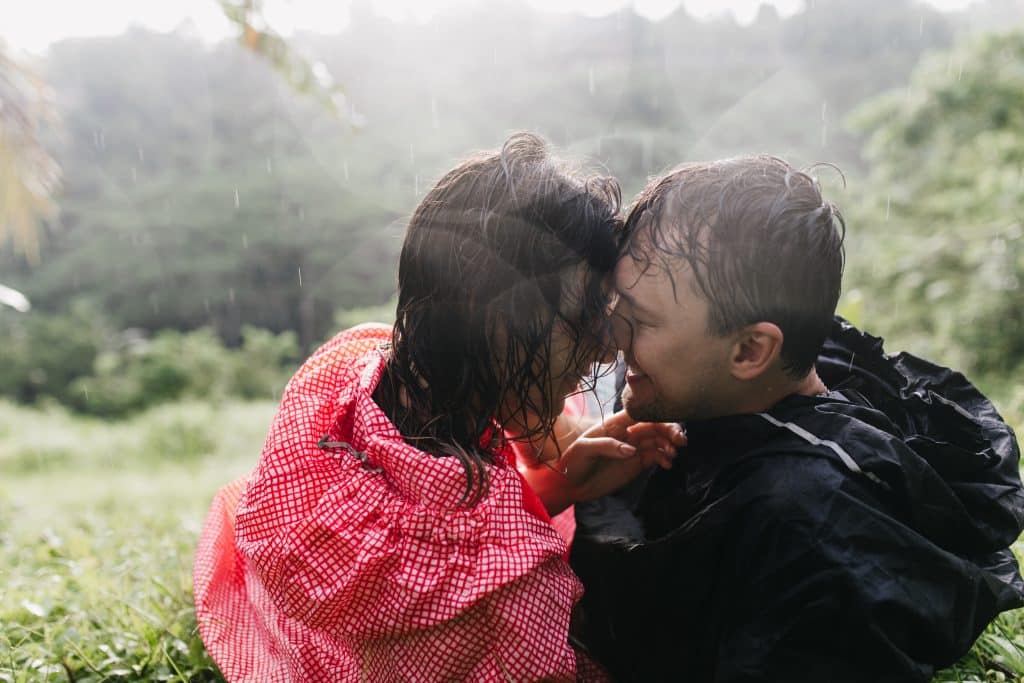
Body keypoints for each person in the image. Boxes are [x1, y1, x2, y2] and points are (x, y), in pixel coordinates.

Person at [193, 132, 682, 682]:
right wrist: (534, 504)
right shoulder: (513, 587)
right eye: (584, 318)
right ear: (489, 317)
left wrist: (554, 486)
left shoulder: (342, 377)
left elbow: (422, 533)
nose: (606, 345)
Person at [570, 156, 1024, 682]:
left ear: (750, 350)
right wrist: (564, 489)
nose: (611, 341)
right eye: (617, 306)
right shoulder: (777, 370)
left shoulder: (809, 534)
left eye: (639, 321)